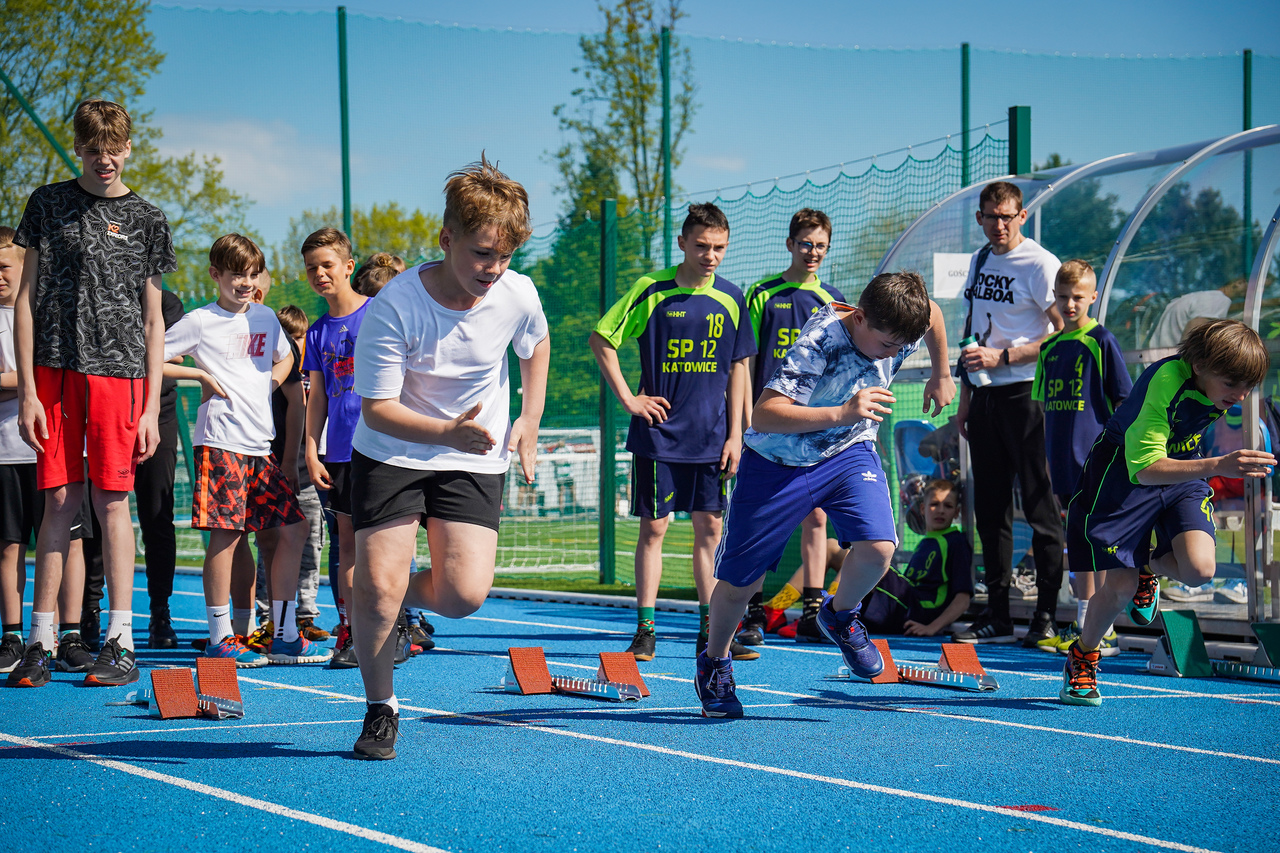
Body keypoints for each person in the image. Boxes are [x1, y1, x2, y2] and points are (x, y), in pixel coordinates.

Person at [347, 157, 549, 759]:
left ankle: (386, 596)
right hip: (393, 451)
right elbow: (377, 409)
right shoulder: (395, 306)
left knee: (464, 596)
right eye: (482, 253)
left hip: (472, 451)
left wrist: (529, 419)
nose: (493, 269)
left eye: (505, 256)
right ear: (447, 239)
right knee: (379, 586)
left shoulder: (516, 292)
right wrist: (444, 433)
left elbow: (535, 347)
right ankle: (381, 707)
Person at [695, 270, 954, 717]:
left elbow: (932, 314)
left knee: (879, 548)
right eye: (888, 345)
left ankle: (840, 613)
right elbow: (765, 415)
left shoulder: (903, 319)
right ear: (861, 317)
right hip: (777, 464)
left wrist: (942, 372)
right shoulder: (821, 340)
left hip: (849, 452)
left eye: (901, 347)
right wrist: (843, 410)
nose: (894, 355)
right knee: (742, 585)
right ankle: (715, 659)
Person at [8, 99, 176, 688]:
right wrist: (28, 390)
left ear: (129, 148)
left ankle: (120, 641)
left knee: (111, 504)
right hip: (54, 373)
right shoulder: (46, 205)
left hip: (121, 378)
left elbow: (154, 320)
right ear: (77, 147)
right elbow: (24, 301)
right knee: (56, 504)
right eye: (92, 149)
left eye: (114, 149)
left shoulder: (149, 219)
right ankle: (40, 642)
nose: (104, 160)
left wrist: (153, 404)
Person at [1061, 320, 1273, 706]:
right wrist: (1219, 464)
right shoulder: (1164, 383)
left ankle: (1149, 566)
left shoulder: (1220, 383)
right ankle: (1083, 655)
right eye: (1231, 385)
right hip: (1123, 476)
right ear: (1199, 365)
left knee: (1199, 570)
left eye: (1248, 387)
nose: (1241, 396)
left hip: (1183, 465)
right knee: (1120, 589)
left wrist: (1212, 463)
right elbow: (1144, 468)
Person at [591, 203, 756, 662]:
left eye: (719, 247)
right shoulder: (652, 289)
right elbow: (602, 338)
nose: (710, 255)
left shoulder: (731, 297)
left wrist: (737, 434)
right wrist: (629, 399)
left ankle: (711, 631)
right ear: (682, 243)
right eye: (701, 245)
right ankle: (646, 630)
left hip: (712, 438)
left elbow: (740, 366)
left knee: (710, 528)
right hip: (659, 435)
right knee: (655, 528)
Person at [163, 234, 328, 667]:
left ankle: (285, 634)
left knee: (294, 530)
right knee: (228, 536)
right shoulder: (200, 321)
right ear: (216, 274)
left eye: (252, 274)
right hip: (220, 442)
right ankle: (220, 636)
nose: (245, 282)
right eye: (237, 274)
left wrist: (269, 382)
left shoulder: (267, 317)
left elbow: (287, 357)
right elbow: (150, 355)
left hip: (260, 447)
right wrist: (197, 376)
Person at [953, 180, 1065, 648]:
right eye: (990, 216)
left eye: (1007, 216)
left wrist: (1007, 358)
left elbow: (1064, 331)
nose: (998, 225)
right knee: (990, 511)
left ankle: (1045, 617)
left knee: (1040, 509)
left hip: (1028, 396)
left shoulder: (1040, 263)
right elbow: (970, 328)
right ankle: (997, 614)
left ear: (1022, 216)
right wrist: (964, 397)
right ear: (979, 218)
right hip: (984, 398)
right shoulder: (980, 260)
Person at [736, 208, 845, 646]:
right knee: (767, 517)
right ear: (790, 244)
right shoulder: (764, 294)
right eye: (805, 243)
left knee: (817, 516)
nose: (812, 252)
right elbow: (743, 362)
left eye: (820, 245)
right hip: (774, 423)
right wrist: (747, 418)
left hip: (816, 425)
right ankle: (757, 612)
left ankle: (812, 612)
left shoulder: (835, 299)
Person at [1031, 260, 1131, 656]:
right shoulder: (1049, 347)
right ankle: (1084, 620)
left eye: (1078, 297)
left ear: (1092, 297)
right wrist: (1048, 460)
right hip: (1062, 462)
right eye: (1062, 296)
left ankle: (1103, 628)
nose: (1070, 304)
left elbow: (1122, 399)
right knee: (1077, 542)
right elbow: (1045, 411)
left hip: (1097, 460)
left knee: (1098, 540)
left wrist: (1118, 451)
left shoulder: (1101, 340)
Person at [301, 228, 369, 669]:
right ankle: (351, 631)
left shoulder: (380, 315)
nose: (320, 274)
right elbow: (319, 395)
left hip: (384, 450)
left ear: (348, 266)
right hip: (340, 454)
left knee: (384, 546)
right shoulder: (317, 332)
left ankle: (395, 625)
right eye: (312, 268)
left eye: (328, 264)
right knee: (346, 545)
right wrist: (311, 448)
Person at [860, 479, 972, 636]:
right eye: (934, 504)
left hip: (918, 610)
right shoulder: (924, 543)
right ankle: (826, 611)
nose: (940, 510)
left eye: (948, 506)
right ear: (922, 508)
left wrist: (932, 627)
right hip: (904, 605)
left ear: (956, 512)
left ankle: (830, 613)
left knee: (868, 558)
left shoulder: (956, 541)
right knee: (834, 548)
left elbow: (963, 599)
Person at [0, 226, 36, 675]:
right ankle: (10, 634)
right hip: (5, 452)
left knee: (61, 547)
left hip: (49, 450)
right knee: (9, 548)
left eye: (4, 266)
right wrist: (32, 380)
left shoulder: (44, 314)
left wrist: (18, 377)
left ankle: (61, 634)